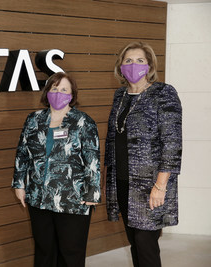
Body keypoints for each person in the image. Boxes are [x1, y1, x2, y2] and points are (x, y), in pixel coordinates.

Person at [105, 41, 182, 267]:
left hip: (149, 185)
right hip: (122, 182)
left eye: (140, 60)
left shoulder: (163, 93)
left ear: (149, 66)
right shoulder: (120, 96)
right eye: (128, 60)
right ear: (120, 67)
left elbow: (172, 142)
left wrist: (160, 186)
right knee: (134, 243)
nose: (133, 64)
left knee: (146, 244)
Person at [12, 72, 101, 267]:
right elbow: (22, 154)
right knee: (44, 250)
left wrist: (92, 192)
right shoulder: (33, 120)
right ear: (47, 92)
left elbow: (92, 159)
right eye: (54, 88)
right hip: (39, 197)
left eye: (64, 89)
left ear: (72, 94)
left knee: (71, 252)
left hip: (73, 199)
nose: (58, 93)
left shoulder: (83, 122)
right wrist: (19, 184)